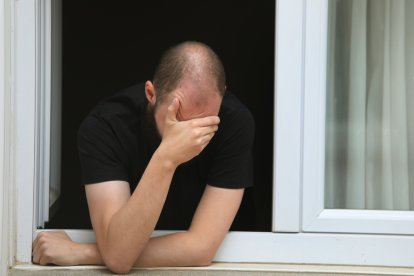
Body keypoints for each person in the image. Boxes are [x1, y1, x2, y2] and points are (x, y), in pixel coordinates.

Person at [32, 41, 254, 274]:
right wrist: (167, 157)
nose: (191, 135)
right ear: (151, 93)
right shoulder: (106, 126)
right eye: (179, 119)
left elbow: (200, 247)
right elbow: (118, 256)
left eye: (206, 123)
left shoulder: (234, 121)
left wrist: (84, 252)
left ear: (222, 96)